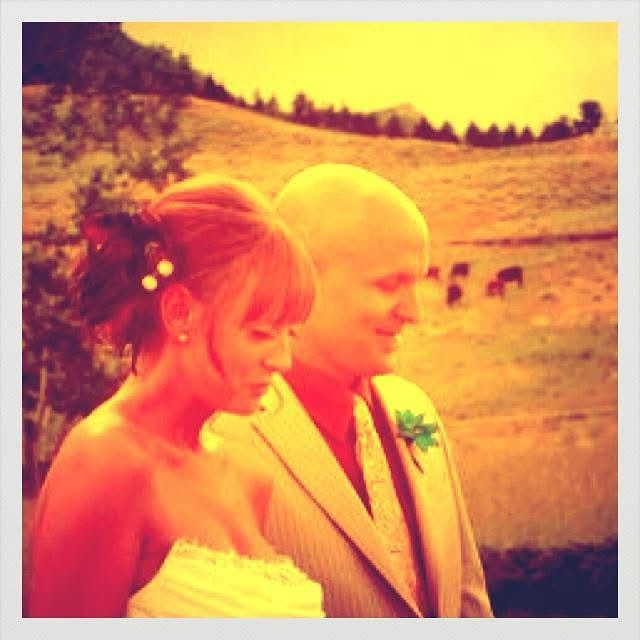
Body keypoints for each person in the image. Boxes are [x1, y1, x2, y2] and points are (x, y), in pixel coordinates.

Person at [28, 173, 325, 617]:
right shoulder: (105, 463)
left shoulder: (249, 479)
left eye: (290, 334)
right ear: (180, 312)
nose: (283, 360)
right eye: (262, 333)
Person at [205, 163, 493, 617]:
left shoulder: (415, 408)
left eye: (416, 282)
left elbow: (468, 598)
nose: (414, 312)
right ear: (301, 276)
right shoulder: (223, 441)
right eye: (389, 285)